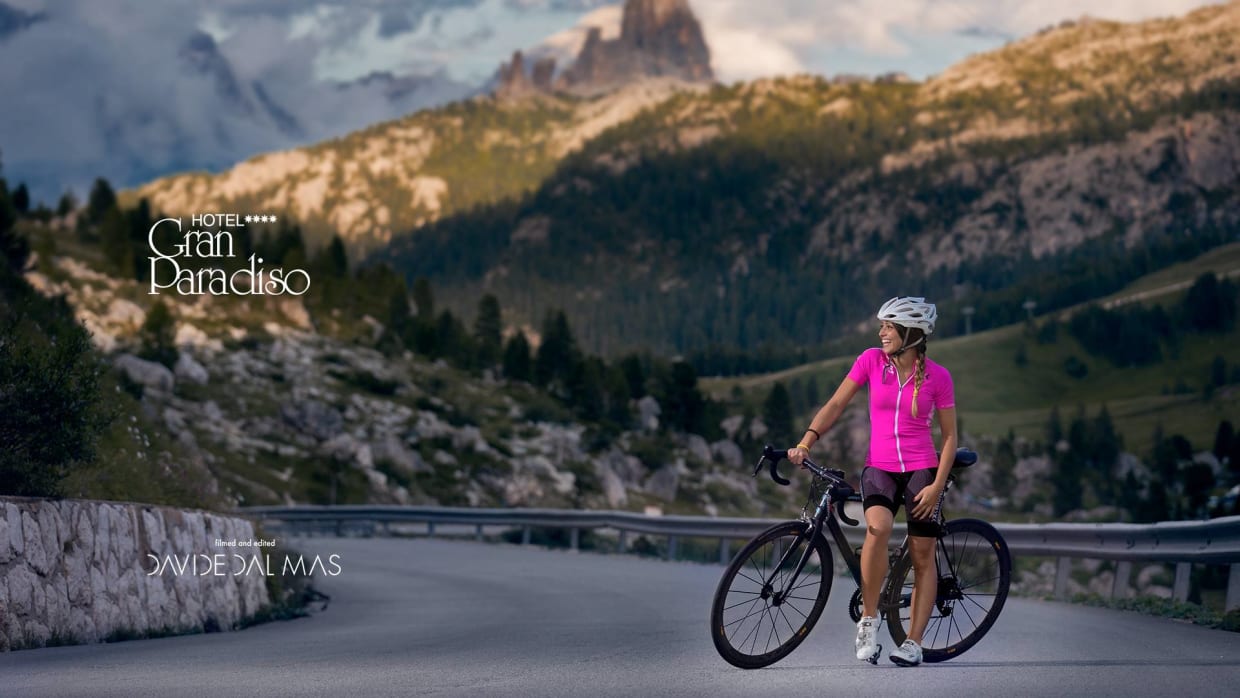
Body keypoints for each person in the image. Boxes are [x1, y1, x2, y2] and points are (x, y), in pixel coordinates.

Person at [787, 296, 957, 667]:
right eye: (881, 326)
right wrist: (806, 441)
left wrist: (937, 485)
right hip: (879, 466)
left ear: (910, 334)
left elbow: (948, 438)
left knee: (922, 555)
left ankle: (913, 642)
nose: (881, 333)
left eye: (889, 327)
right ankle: (869, 618)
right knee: (877, 530)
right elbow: (835, 404)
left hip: (921, 472)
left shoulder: (938, 377)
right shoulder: (870, 361)